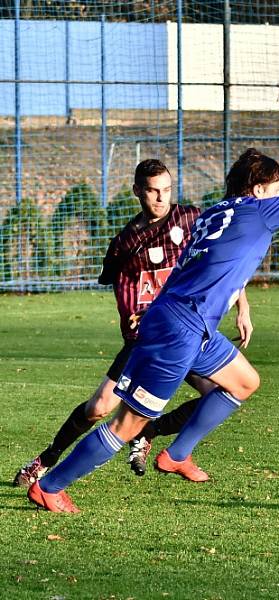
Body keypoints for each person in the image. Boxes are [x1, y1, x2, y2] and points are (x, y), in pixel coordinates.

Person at [27, 148, 279, 513]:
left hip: (191, 323)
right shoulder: (261, 210)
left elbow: (206, 267)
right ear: (258, 190)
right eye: (276, 188)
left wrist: (238, 305)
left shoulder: (213, 213)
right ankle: (49, 487)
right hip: (180, 327)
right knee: (127, 423)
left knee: (243, 381)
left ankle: (175, 455)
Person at [13, 159, 253, 488]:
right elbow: (121, 287)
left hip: (189, 333)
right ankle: (45, 461)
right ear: (137, 191)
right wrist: (134, 318)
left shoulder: (193, 219)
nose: (161, 198)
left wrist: (243, 307)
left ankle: (152, 433)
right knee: (99, 408)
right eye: (153, 191)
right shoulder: (126, 243)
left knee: (225, 394)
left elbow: (225, 264)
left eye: (167, 190)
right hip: (147, 339)